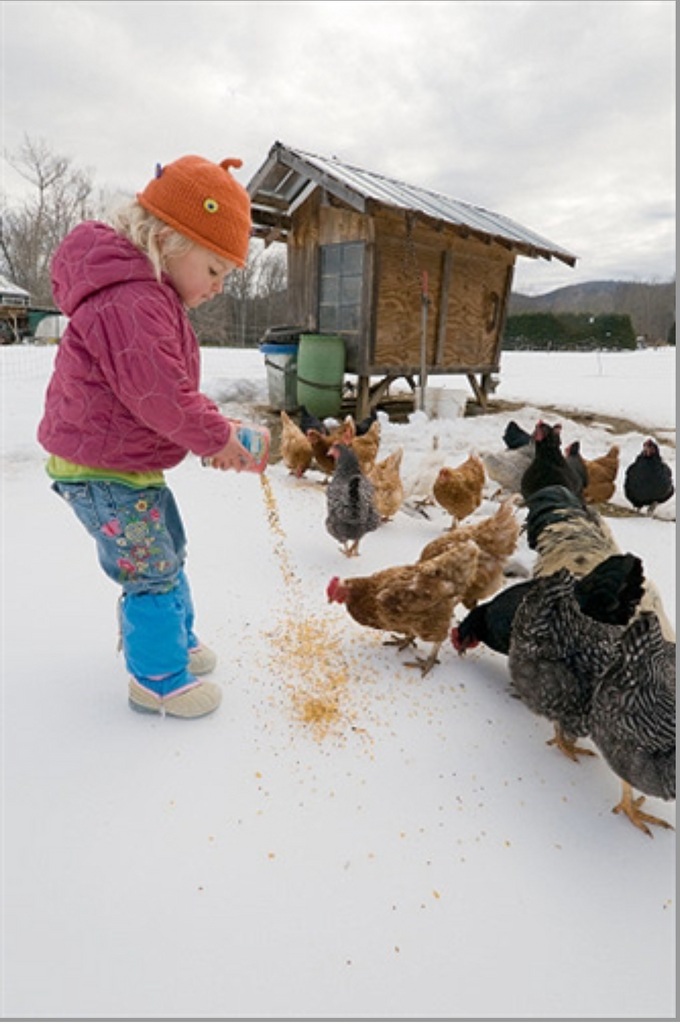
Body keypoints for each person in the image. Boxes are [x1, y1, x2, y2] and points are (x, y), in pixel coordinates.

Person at [37, 154, 261, 719]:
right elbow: (158, 394)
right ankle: (157, 678)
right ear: (170, 238)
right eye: (214, 270)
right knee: (150, 566)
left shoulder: (147, 294)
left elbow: (166, 386)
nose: (216, 288)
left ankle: (174, 641)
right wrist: (216, 438)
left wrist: (215, 428)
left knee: (167, 549)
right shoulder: (132, 299)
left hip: (120, 460)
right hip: (100, 468)